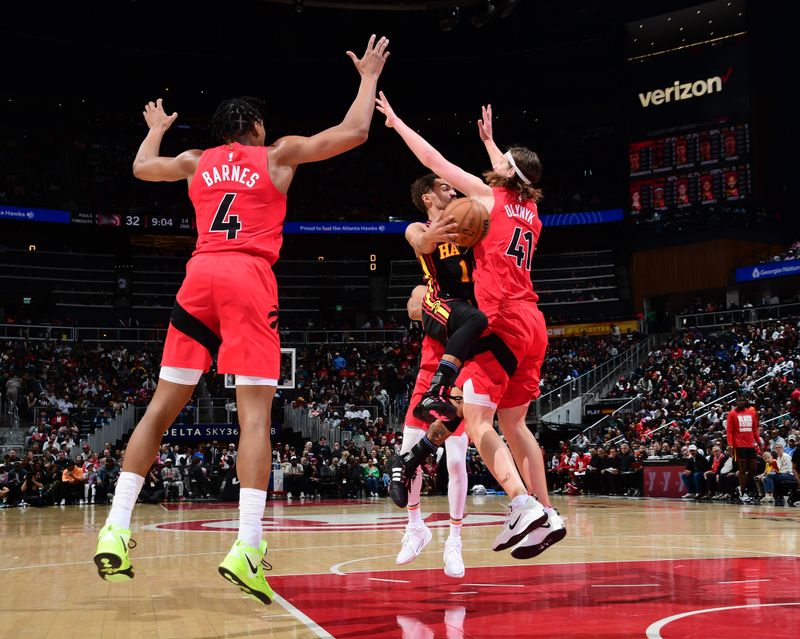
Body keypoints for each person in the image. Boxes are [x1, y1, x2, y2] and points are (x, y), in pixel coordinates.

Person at [92, 34, 391, 605]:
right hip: (248, 279)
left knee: (159, 409)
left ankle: (116, 527)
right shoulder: (276, 154)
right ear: (253, 127)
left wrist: (156, 126)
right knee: (254, 417)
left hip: (198, 276)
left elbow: (139, 167)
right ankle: (248, 547)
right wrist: (368, 77)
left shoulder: (196, 162)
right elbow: (353, 133)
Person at [375, 96, 565, 559]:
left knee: (479, 421)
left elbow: (434, 160)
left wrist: (398, 123)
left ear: (505, 173)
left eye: (499, 161)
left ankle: (520, 504)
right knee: (516, 425)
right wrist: (490, 143)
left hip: (501, 321)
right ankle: (547, 512)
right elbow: (510, 174)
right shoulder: (532, 215)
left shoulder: (485, 200)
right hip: (535, 323)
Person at [389, 172, 483, 578]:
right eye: (445, 187)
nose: (453, 191)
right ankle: (414, 527)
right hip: (437, 338)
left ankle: (455, 540)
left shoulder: (471, 224)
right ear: (428, 196)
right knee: (411, 446)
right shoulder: (419, 227)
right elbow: (421, 242)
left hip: (469, 341)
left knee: (457, 459)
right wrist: (437, 232)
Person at [726, 395, 762, 504]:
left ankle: (744, 487)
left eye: (742, 400)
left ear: (746, 402)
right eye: (739, 400)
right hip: (739, 445)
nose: (741, 402)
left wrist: (759, 442)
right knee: (742, 469)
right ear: (736, 402)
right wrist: (730, 445)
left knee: (754, 468)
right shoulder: (732, 414)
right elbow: (729, 431)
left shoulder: (752, 413)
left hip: (750, 445)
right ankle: (742, 491)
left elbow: (755, 429)